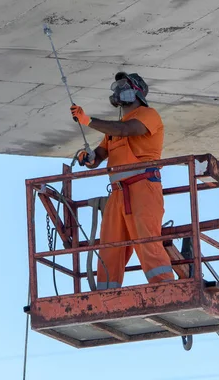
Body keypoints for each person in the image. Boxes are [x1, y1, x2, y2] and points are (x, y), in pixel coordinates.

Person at [70, 72, 174, 290]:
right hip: (118, 193)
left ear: (137, 92)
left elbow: (127, 130)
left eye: (124, 85)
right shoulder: (113, 130)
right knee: (110, 246)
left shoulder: (148, 115)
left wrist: (88, 121)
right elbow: (99, 156)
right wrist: (88, 159)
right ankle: (106, 293)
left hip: (143, 188)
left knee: (147, 242)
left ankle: (165, 289)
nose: (118, 89)